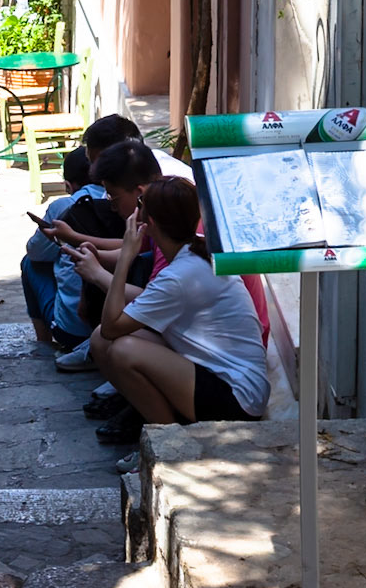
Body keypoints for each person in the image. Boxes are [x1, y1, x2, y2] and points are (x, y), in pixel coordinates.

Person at [74, 173, 269, 450]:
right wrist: (99, 273)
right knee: (101, 341)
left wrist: (126, 257)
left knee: (123, 349)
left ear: (148, 222)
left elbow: (112, 325)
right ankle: (167, 430)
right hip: (224, 378)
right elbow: (143, 306)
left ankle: (171, 446)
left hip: (237, 398)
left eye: (140, 204)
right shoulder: (194, 252)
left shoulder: (181, 272)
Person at [22, 128, 160, 352]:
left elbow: (114, 326)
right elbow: (129, 247)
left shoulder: (167, 228)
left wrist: (97, 274)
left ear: (139, 191)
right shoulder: (152, 222)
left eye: (113, 198)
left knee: (106, 340)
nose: (111, 206)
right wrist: (80, 244)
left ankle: (45, 345)